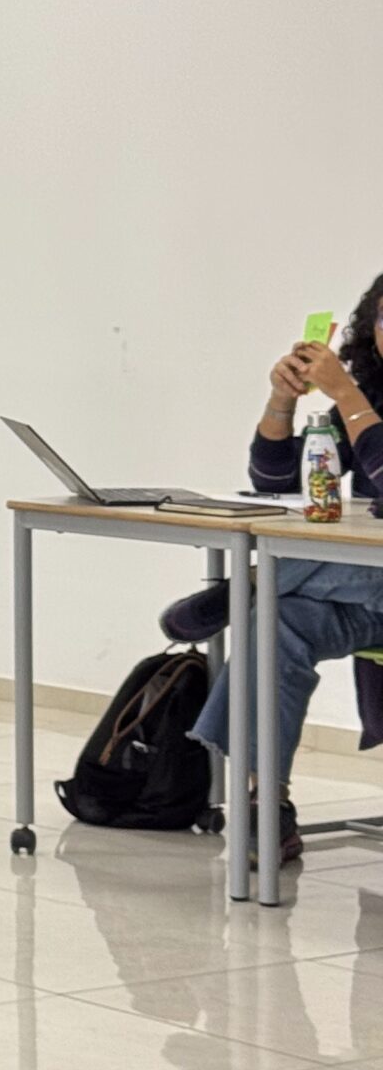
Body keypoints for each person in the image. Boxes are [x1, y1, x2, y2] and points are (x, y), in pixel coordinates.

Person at [163, 275, 383, 863]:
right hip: (367, 592)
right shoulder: (372, 393)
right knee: (278, 622)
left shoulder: (359, 399)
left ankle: (252, 582)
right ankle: (266, 804)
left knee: (272, 594)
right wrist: (282, 403)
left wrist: (348, 398)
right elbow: (279, 487)